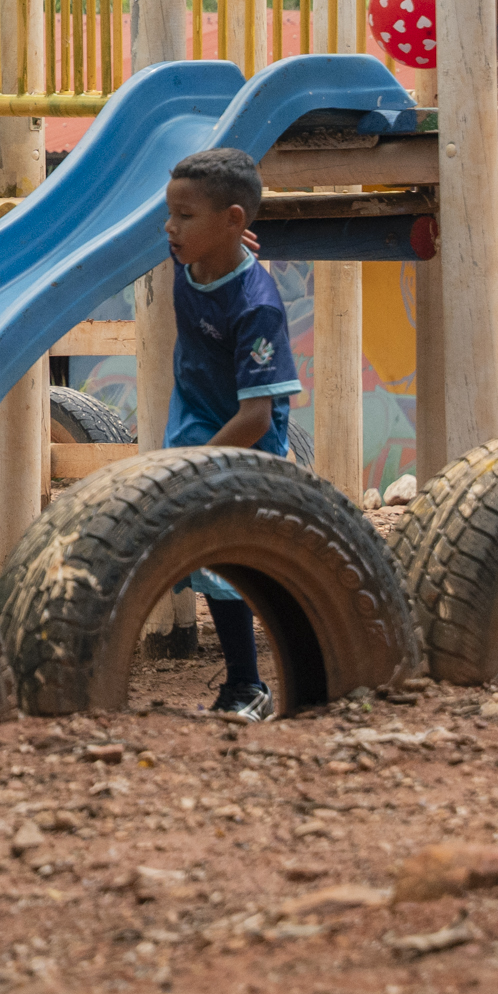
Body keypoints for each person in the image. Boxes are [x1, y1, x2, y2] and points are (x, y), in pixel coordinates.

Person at [160, 145, 301, 722]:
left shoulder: (256, 305)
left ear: (234, 222)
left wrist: (193, 466)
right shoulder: (189, 254)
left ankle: (251, 686)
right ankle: (242, 685)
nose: (170, 227)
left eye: (185, 216)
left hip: (244, 434)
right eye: (169, 213)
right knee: (200, 553)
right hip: (195, 416)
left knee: (230, 557)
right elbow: (186, 231)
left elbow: (257, 418)